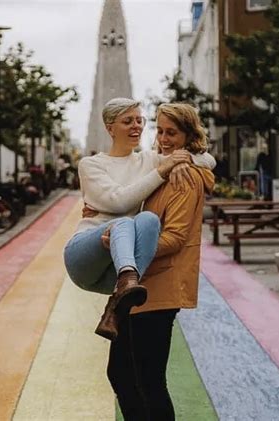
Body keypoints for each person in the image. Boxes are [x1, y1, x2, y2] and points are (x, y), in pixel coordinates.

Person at [94, 103, 214, 421]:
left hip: (160, 288)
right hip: (143, 284)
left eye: (171, 132)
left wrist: (125, 250)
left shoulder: (185, 177)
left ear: (189, 135)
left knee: (146, 380)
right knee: (123, 374)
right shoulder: (165, 168)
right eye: (159, 130)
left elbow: (174, 237)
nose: (163, 139)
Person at [63, 97, 215, 342]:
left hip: (118, 265)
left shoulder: (149, 159)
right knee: (124, 221)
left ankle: (118, 300)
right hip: (85, 255)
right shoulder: (91, 164)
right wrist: (164, 169)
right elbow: (118, 201)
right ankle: (126, 282)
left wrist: (180, 160)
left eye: (139, 120)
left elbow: (207, 159)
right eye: (127, 121)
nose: (136, 126)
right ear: (110, 127)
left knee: (148, 220)